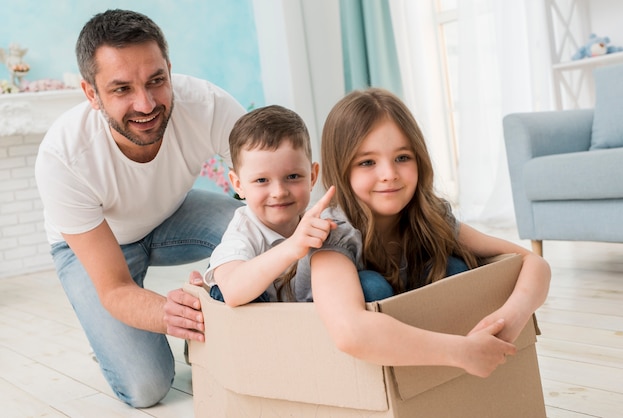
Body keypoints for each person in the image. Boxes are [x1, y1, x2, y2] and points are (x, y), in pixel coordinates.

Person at [34, 9, 245, 408]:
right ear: (91, 94)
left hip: (172, 216)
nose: (145, 104)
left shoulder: (207, 104)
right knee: (147, 388)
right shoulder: (64, 156)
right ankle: (108, 341)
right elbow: (114, 288)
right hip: (97, 247)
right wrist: (176, 313)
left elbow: (274, 181)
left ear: (169, 69)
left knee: (260, 231)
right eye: (121, 90)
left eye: (156, 81)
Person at [309, 87, 551, 378]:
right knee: (372, 289)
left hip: (430, 352)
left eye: (402, 157)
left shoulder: (428, 216)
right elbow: (350, 333)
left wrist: (506, 320)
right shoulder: (331, 234)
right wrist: (463, 351)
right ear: (341, 170)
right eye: (367, 162)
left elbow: (532, 262)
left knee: (455, 268)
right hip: (347, 366)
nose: (389, 173)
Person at [204, 105, 392, 306]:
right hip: (269, 326)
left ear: (312, 176)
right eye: (261, 180)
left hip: (323, 312)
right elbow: (232, 291)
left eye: (293, 177)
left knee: (372, 284)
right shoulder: (244, 231)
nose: (279, 192)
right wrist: (293, 246)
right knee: (221, 291)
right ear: (238, 185)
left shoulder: (324, 218)